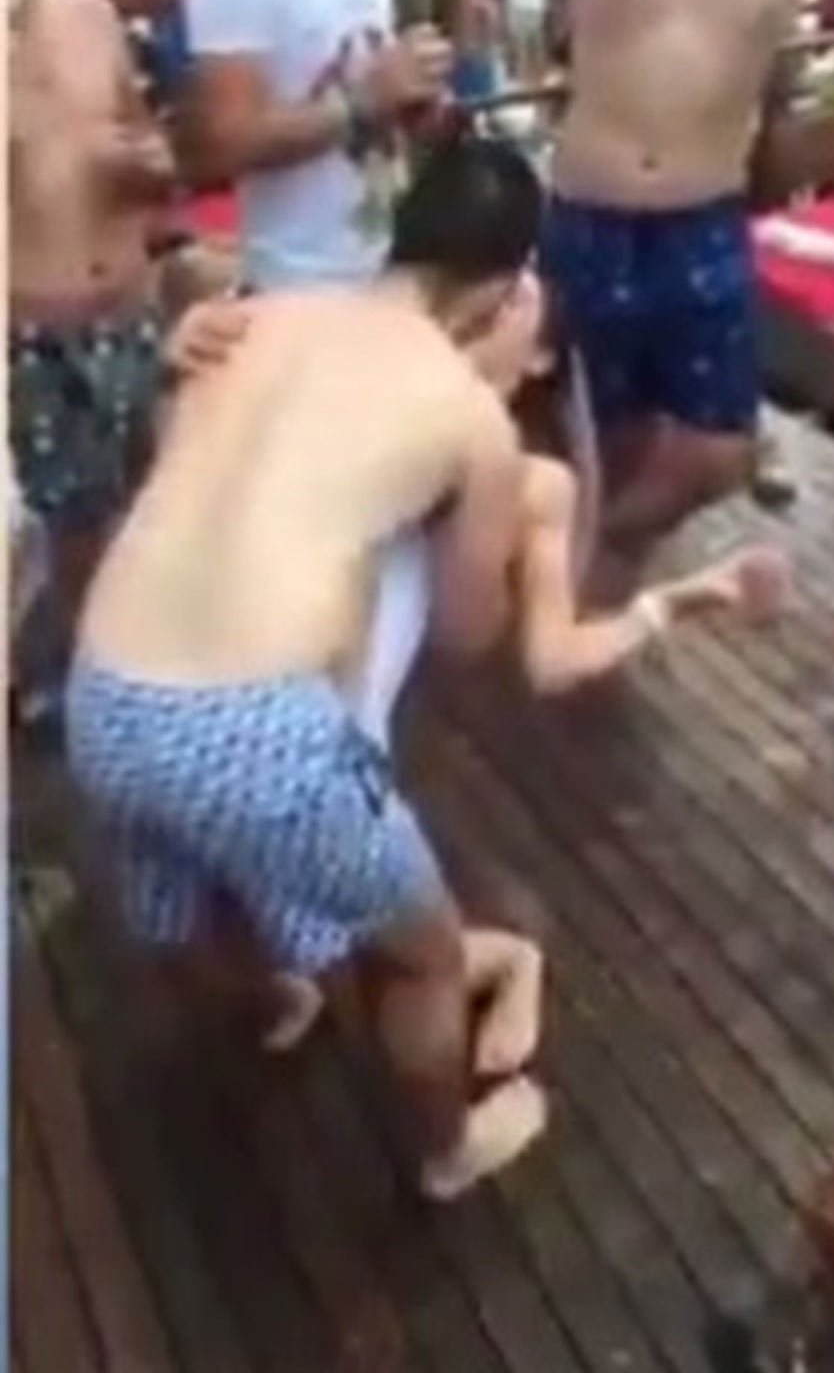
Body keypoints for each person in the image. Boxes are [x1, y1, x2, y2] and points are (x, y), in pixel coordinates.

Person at [64, 135, 788, 1198]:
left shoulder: (254, 315)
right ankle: (452, 1148)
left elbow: (178, 435)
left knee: (181, 905)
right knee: (427, 957)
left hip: (105, 681)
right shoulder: (467, 417)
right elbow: (462, 631)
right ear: (500, 287)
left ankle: (272, 1006)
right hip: (252, 726)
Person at [445, 0, 834, 597]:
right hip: (593, 221)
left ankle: (587, 551)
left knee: (720, 452)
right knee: (603, 442)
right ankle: (590, 605)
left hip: (702, 226)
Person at [8, 0, 179, 726]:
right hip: (33, 330)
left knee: (143, 510)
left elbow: (153, 146)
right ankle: (77, 693)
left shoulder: (93, 16)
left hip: (126, 308)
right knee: (64, 538)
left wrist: (146, 161)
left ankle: (124, 681)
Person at [181, 0, 452, 290]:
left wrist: (416, 103)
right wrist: (362, 100)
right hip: (295, 282)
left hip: (385, 266)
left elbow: (375, 94)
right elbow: (226, 140)